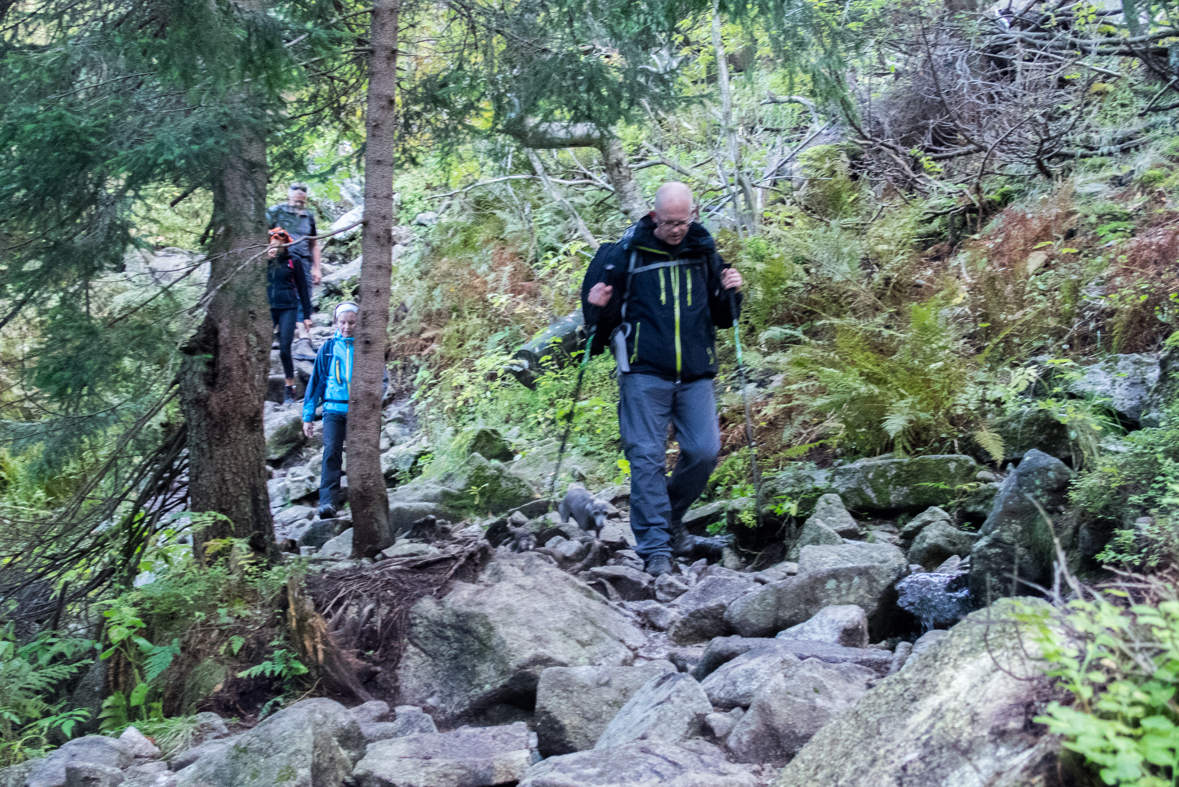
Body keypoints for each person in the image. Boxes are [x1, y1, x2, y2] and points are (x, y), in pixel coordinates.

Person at [580, 182, 743, 577]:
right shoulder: (623, 255)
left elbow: (725, 317)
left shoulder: (704, 252)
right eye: (669, 222)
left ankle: (669, 520)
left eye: (682, 221)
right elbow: (595, 327)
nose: (676, 229)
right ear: (654, 217)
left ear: (694, 215)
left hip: (695, 373)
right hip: (642, 372)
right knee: (647, 459)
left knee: (704, 452)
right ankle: (656, 548)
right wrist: (594, 307)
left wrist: (733, 293)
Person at [302, 302, 359, 519]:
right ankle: (328, 502)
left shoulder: (366, 346)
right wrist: (308, 416)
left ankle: (360, 500)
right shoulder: (327, 349)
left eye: (351, 322)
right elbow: (315, 383)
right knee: (331, 453)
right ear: (336, 322)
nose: (347, 327)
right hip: (333, 409)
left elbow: (380, 380)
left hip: (359, 411)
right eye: (343, 322)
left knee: (359, 455)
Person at [267, 183, 322, 338]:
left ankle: (302, 336)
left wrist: (317, 268)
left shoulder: (308, 216)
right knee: (280, 292)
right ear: (288, 193)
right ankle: (276, 333)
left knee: (303, 294)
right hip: (281, 259)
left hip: (303, 261)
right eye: (295, 189)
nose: (300, 193)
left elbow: (314, 243)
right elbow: (263, 234)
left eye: (303, 190)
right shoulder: (276, 212)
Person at [266, 227, 313, 405]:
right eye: (272, 244)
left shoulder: (294, 261)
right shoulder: (263, 261)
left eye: (279, 244)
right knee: (262, 349)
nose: (275, 247)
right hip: (268, 309)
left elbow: (303, 288)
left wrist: (306, 315)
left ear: (285, 244)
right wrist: (267, 262)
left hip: (288, 308)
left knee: (285, 348)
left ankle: (290, 388)